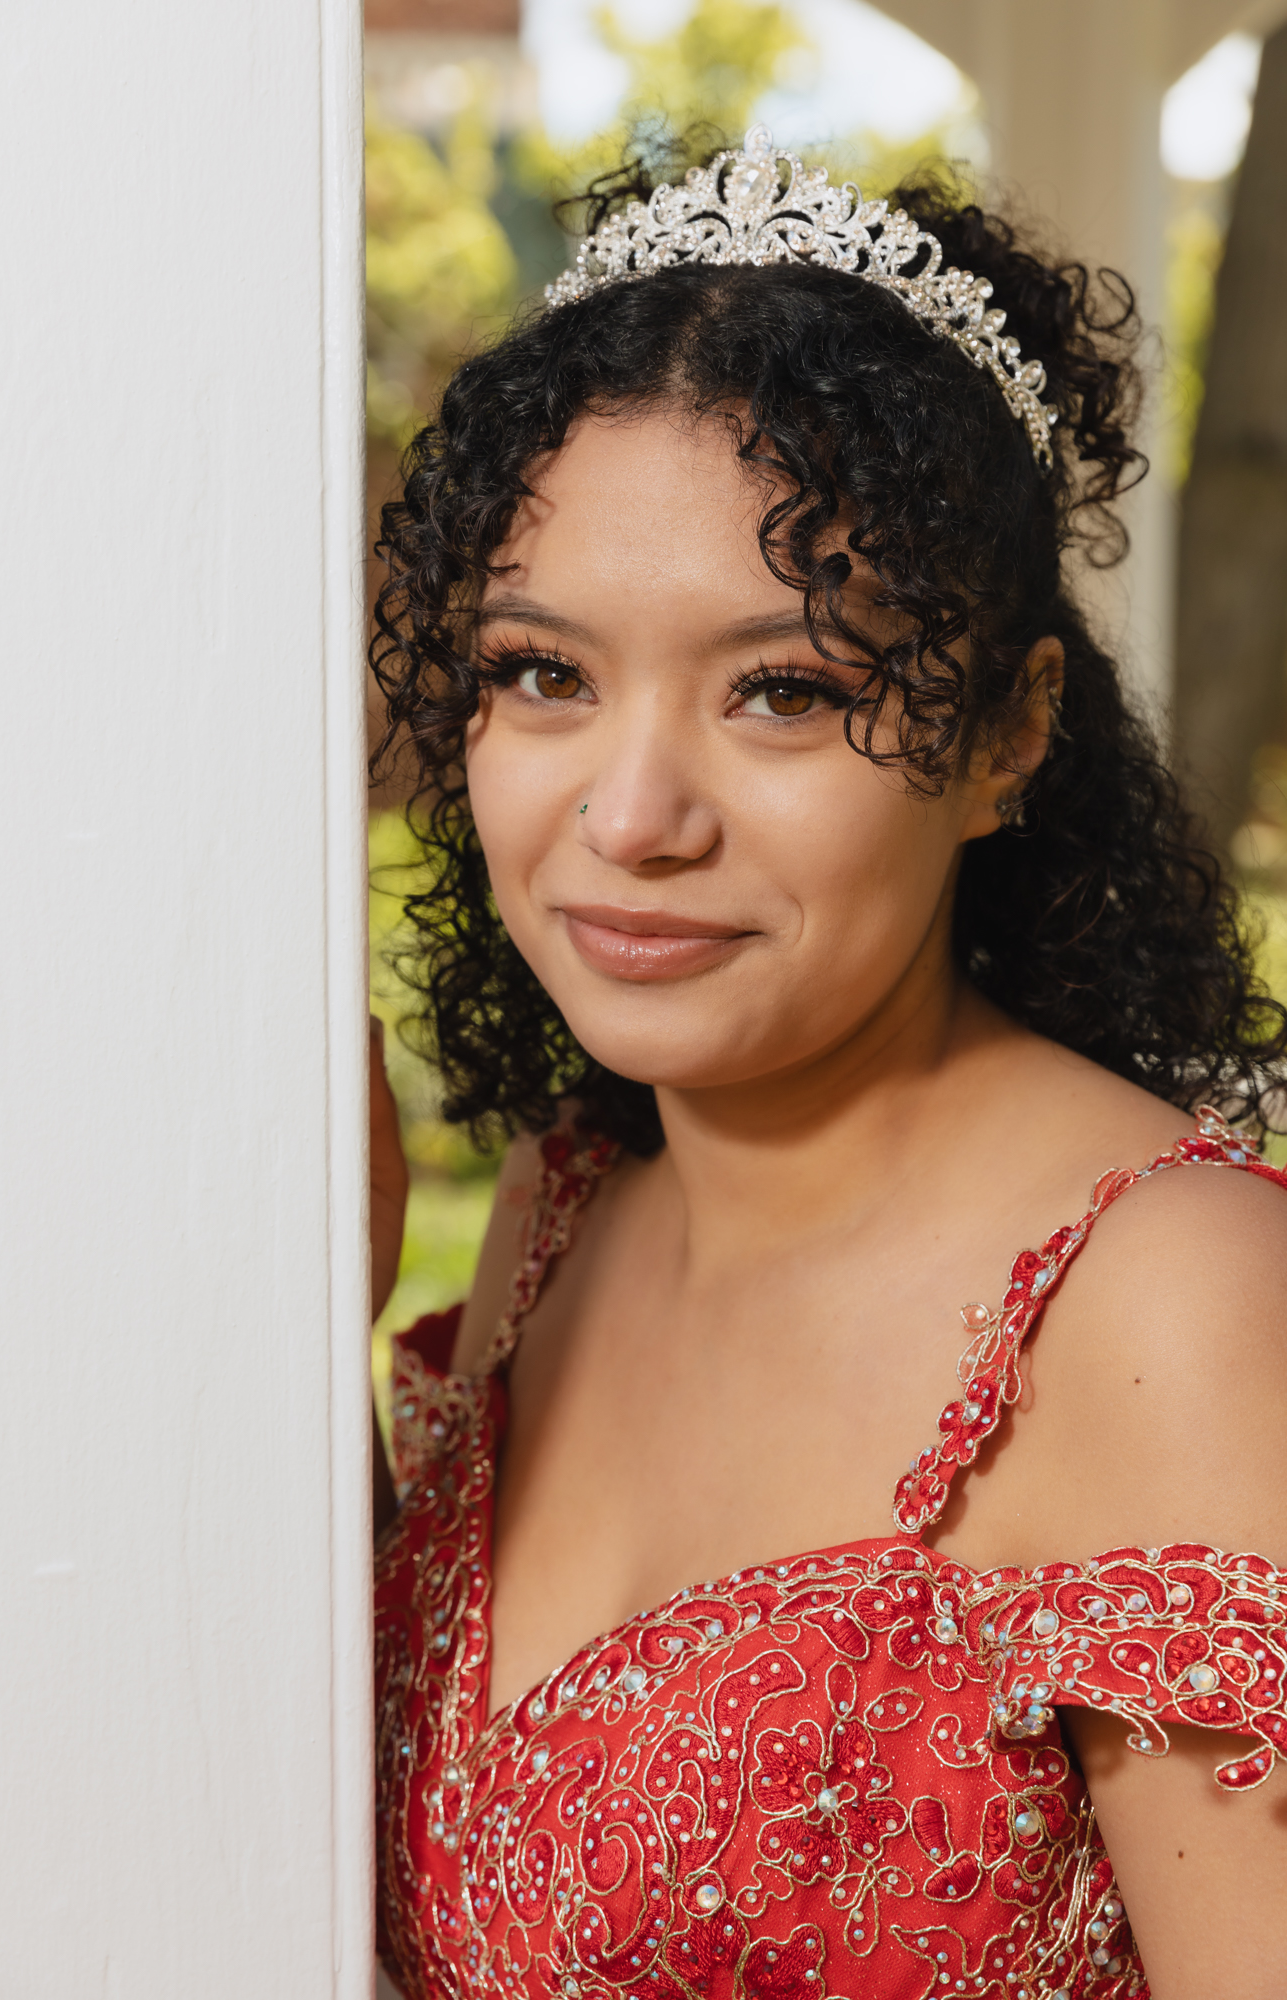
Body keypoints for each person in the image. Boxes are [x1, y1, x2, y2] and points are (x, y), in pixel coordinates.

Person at [365, 130, 1287, 1998]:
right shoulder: (563, 1202)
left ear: (1009, 730)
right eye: (543, 672)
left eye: (783, 689)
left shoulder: (1171, 1304)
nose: (627, 816)